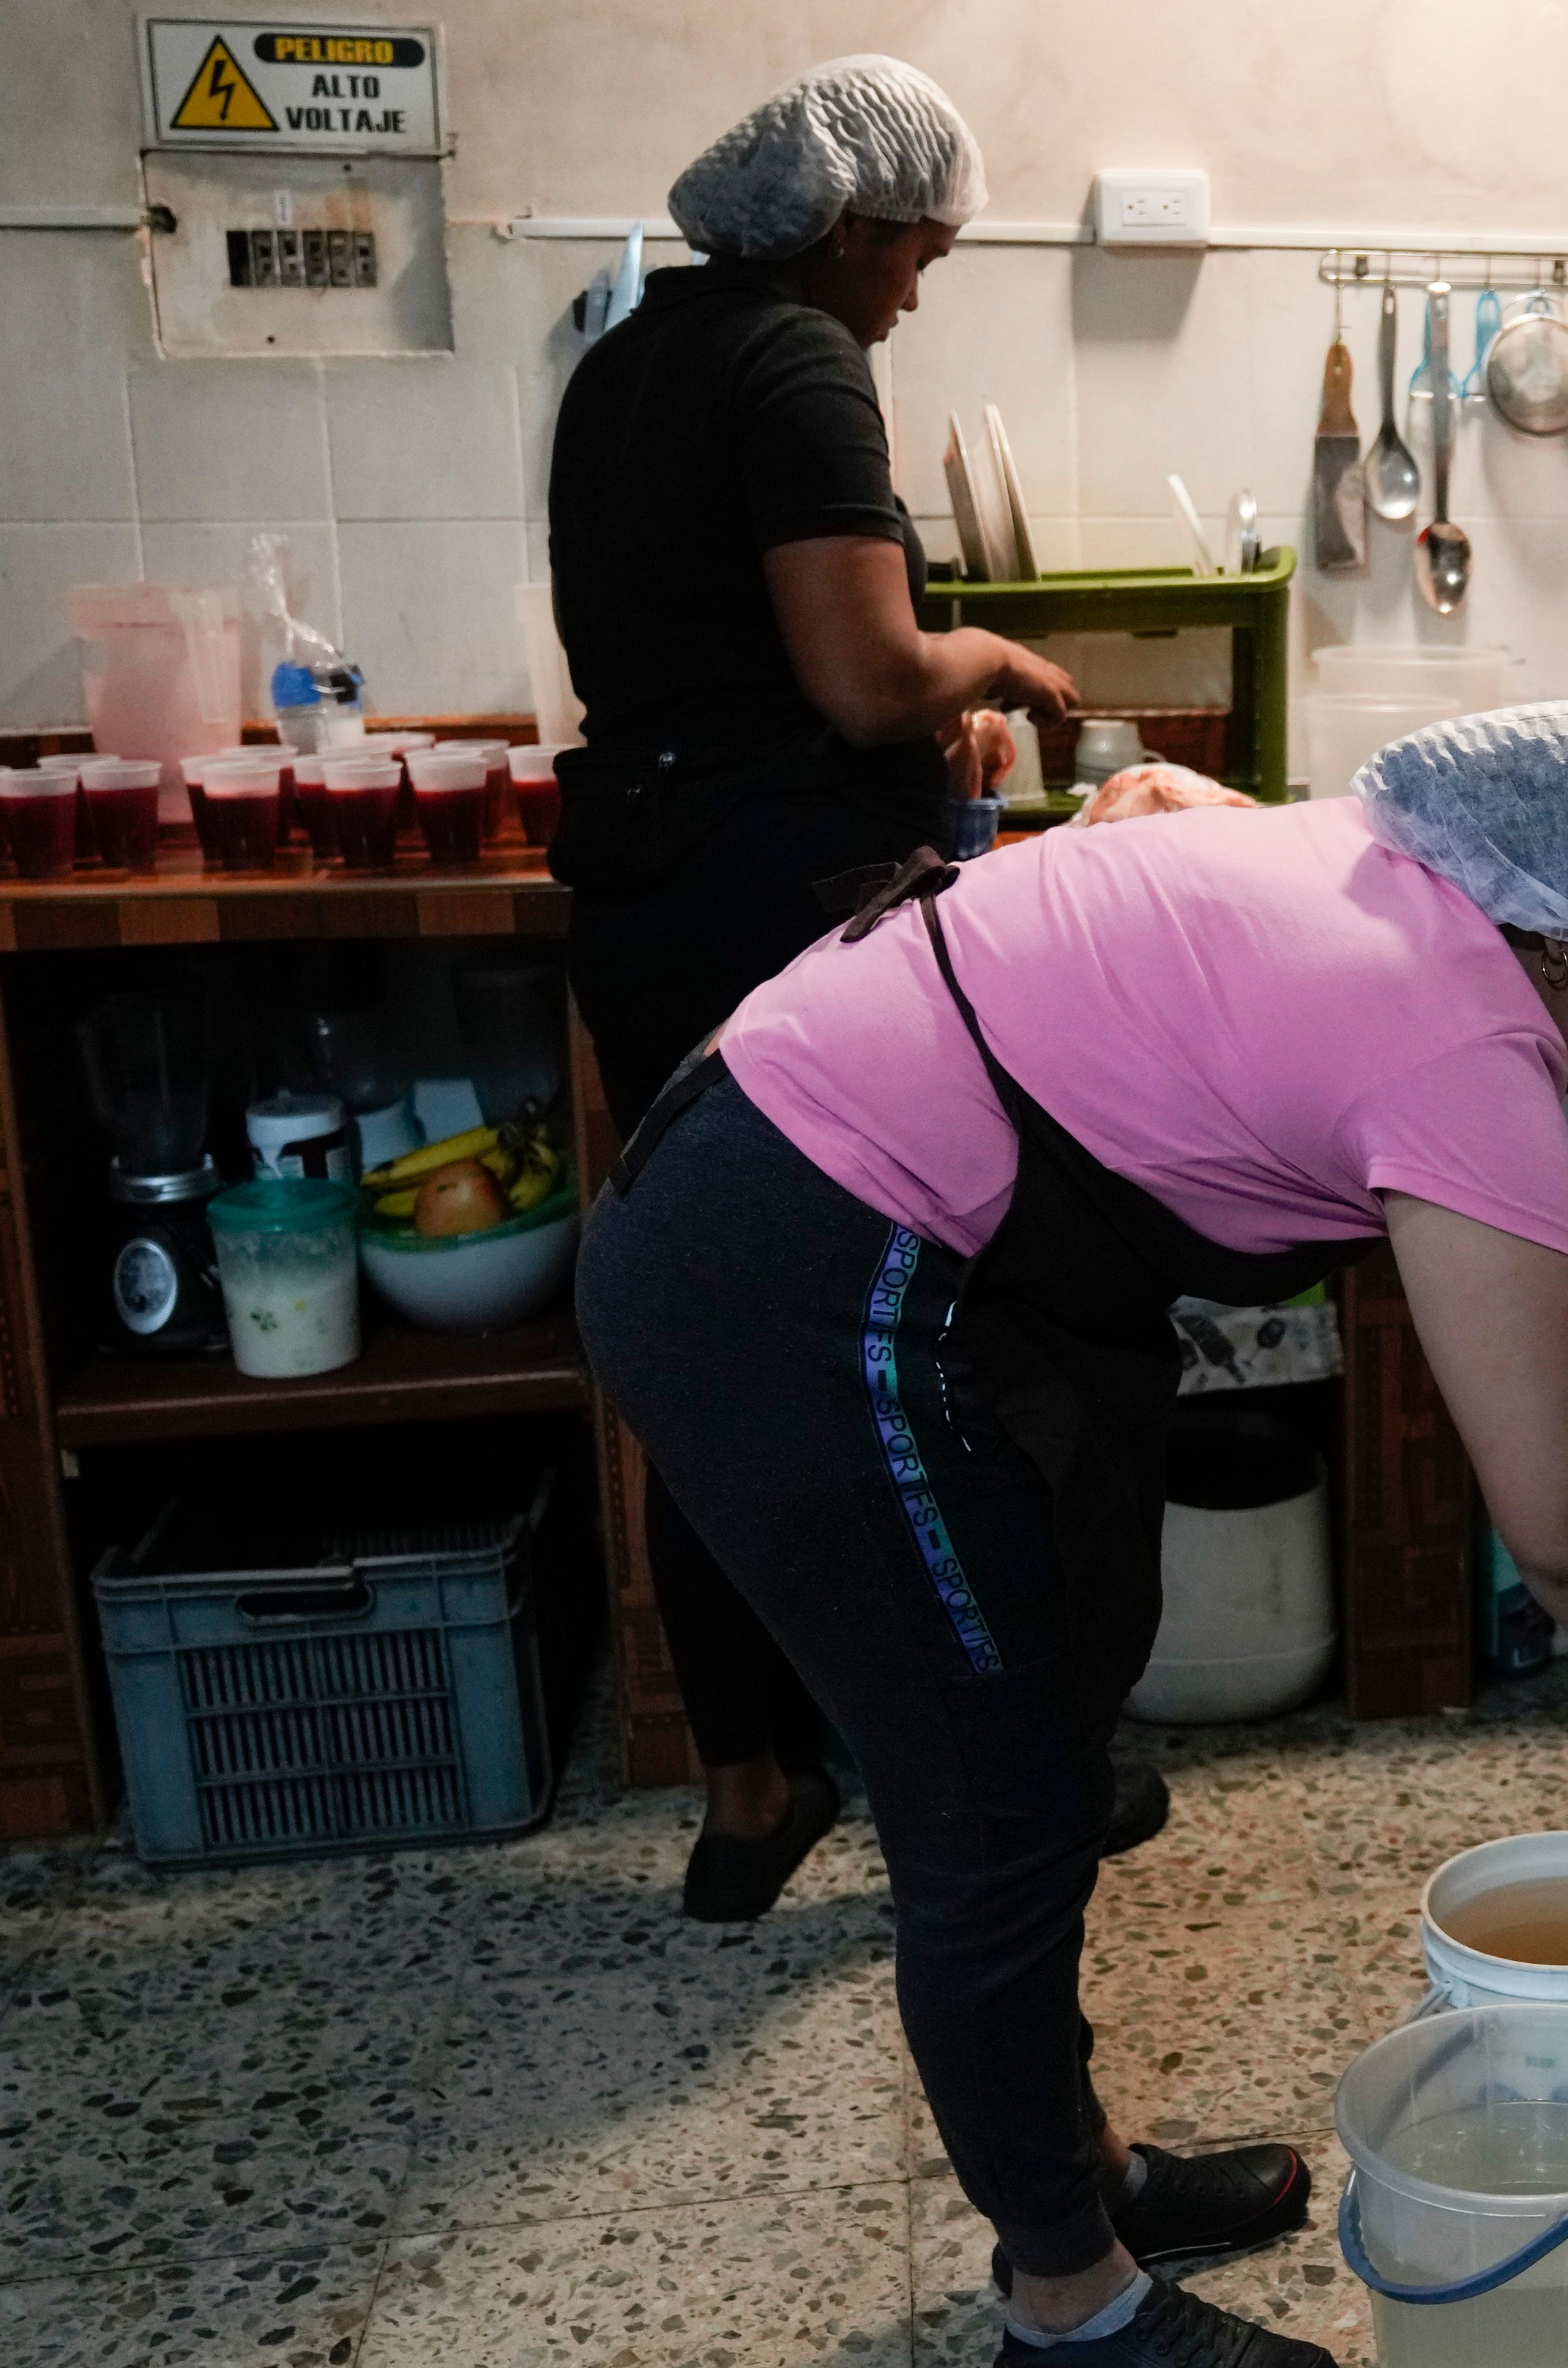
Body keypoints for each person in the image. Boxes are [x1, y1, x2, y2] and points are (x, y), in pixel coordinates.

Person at [578, 700, 1568, 2368]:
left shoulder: (1409, 888)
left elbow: (1434, 1184)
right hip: (790, 1260)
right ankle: (1065, 2301)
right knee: (991, 1794)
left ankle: (1071, 2165)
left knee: (1060, 1701)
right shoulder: (1455, 1024)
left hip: (908, 1228)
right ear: (1567, 931)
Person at [545, 57, 1187, 1921]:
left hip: (655, 892)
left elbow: (730, 663)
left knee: (709, 1324)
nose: (919, 288)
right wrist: (988, 653)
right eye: (921, 249)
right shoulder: (802, 362)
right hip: (787, 913)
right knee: (947, 1326)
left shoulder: (625, 363)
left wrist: (924, 727)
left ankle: (751, 1783)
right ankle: (1016, 1768)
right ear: (847, 225)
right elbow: (853, 672)